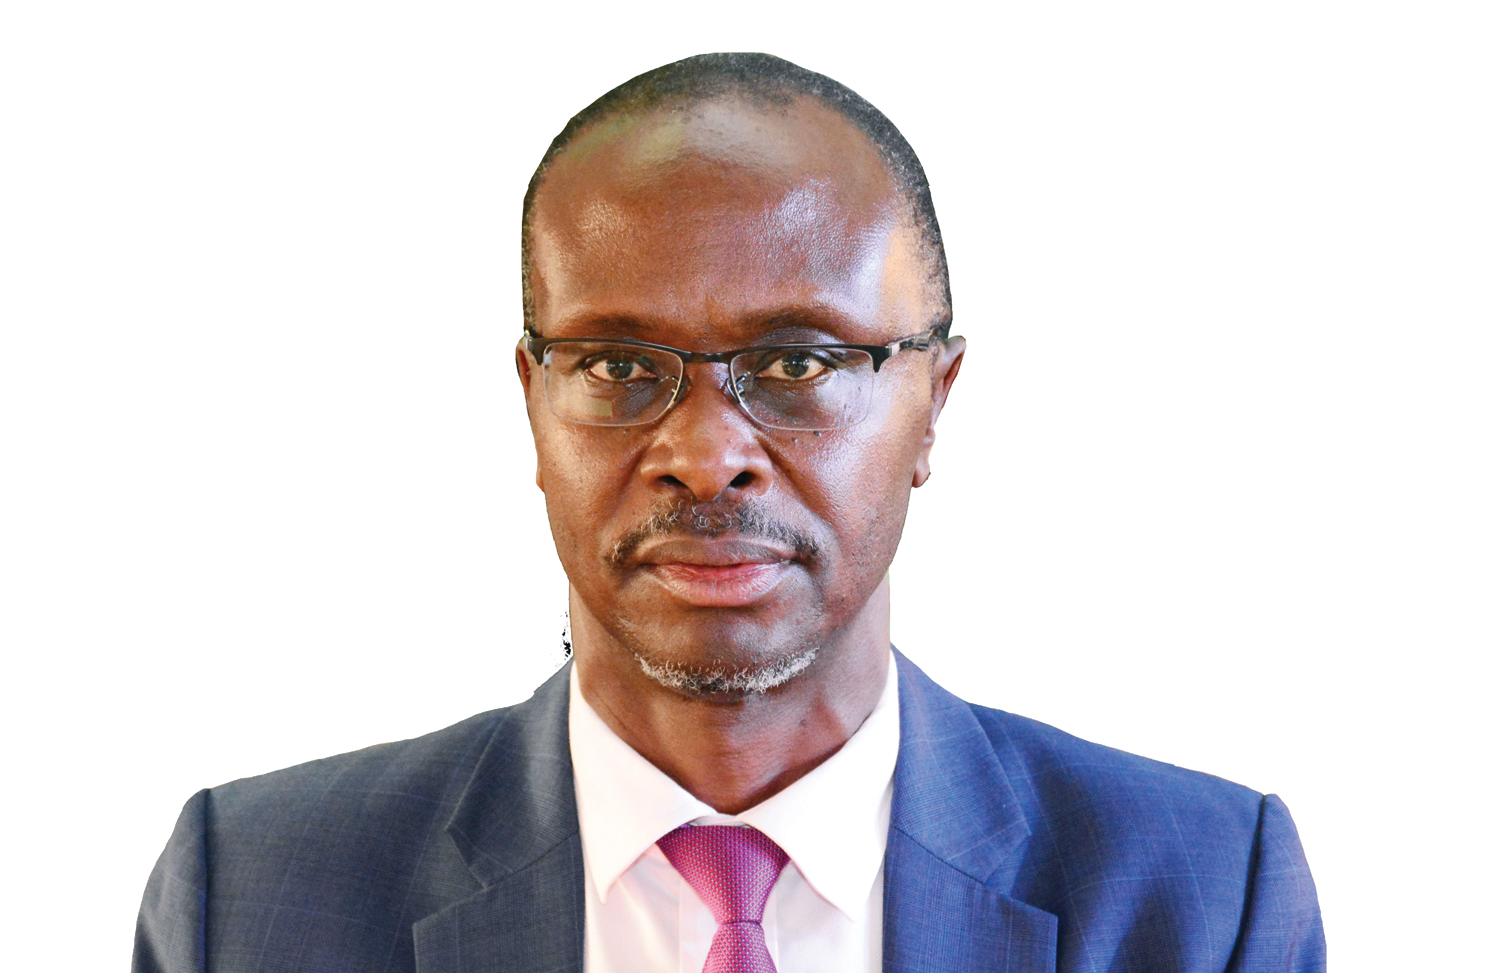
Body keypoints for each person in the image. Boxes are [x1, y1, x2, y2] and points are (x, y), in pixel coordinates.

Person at [134, 52, 1325, 973]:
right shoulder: (250, 897)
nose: (706, 457)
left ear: (933, 402)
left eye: (799, 362)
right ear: (534, 402)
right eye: (617, 364)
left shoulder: (1202, 899)